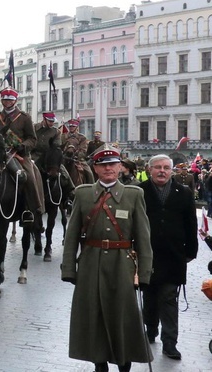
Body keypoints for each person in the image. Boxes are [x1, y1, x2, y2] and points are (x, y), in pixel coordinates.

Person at [61, 144, 153, 372]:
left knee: (123, 318)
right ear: (96, 168)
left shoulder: (134, 195)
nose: (108, 169)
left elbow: (143, 238)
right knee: (94, 318)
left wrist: (144, 273)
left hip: (122, 265)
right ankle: (99, 365)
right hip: (91, 263)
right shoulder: (83, 194)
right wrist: (69, 269)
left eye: (112, 164)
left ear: (120, 167)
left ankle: (124, 364)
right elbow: (71, 236)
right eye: (103, 165)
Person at [139, 154, 198, 360]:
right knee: (150, 295)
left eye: (166, 167)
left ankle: (170, 342)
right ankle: (151, 328)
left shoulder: (183, 192)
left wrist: (191, 251)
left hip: (173, 255)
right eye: (157, 167)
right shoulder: (140, 192)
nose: (162, 171)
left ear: (172, 170)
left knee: (168, 297)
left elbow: (191, 223)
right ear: (150, 170)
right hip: (147, 254)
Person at [0, 88, 45, 217]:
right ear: (2, 100)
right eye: (5, 99)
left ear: (15, 101)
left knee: (29, 178)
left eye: (10, 99)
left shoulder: (25, 118)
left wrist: (22, 146)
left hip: (19, 155)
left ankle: (31, 210)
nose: (7, 102)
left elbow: (32, 139)